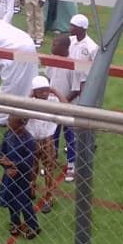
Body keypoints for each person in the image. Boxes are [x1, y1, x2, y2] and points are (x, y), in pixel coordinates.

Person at [26, 75, 66, 214]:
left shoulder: (53, 100)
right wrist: (29, 96)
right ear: (34, 91)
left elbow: (66, 106)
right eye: (40, 91)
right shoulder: (29, 102)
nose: (44, 93)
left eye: (46, 90)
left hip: (48, 139)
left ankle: (49, 197)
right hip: (32, 140)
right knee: (32, 168)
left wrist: (55, 91)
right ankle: (31, 189)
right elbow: (22, 116)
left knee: (49, 169)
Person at [0, 116, 41, 240]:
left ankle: (33, 226)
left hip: (23, 178)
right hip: (9, 177)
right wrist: (7, 168)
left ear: (20, 125)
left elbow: (29, 161)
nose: (8, 125)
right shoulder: (8, 136)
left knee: (24, 202)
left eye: (11, 123)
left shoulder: (29, 140)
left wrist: (13, 165)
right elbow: (1, 154)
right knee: (10, 200)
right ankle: (15, 222)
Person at [66, 13, 98, 177]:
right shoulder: (70, 42)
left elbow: (95, 72)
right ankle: (76, 146)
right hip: (70, 82)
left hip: (83, 87)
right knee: (71, 122)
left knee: (83, 119)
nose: (70, 28)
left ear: (81, 29)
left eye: (73, 26)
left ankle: (88, 144)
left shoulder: (92, 47)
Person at [47, 34, 79, 182]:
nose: (52, 46)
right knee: (52, 136)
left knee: (70, 136)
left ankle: (72, 165)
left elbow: (76, 89)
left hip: (68, 106)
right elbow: (49, 79)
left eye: (55, 44)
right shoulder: (52, 61)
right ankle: (52, 160)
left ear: (65, 47)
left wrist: (64, 102)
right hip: (53, 105)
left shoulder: (73, 65)